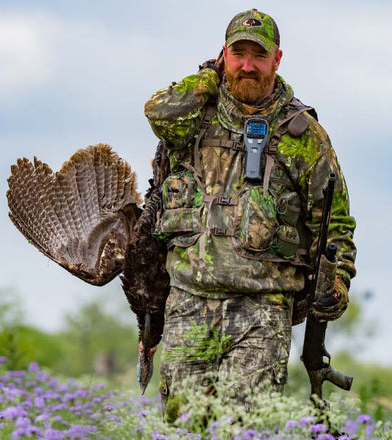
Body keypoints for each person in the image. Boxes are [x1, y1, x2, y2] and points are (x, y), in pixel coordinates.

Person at [144, 9, 357, 416]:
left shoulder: (303, 135)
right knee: (182, 425)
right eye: (238, 54)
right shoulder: (194, 117)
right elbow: (157, 111)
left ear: (277, 60)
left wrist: (339, 279)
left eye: (259, 55)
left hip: (262, 310)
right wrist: (208, 77)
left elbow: (336, 222)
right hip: (188, 302)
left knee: (244, 427)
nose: (247, 65)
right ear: (224, 55)